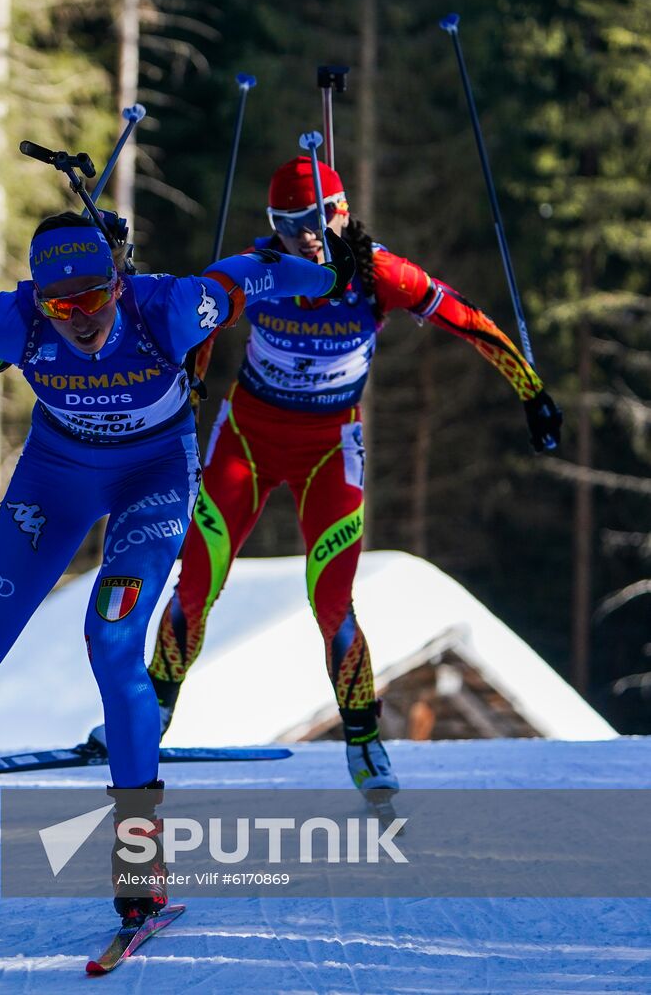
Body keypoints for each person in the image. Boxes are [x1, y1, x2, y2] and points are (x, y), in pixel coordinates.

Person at [0, 210, 354, 923]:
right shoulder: (12, 320)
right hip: (55, 478)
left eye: (93, 296)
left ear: (119, 280)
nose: (80, 318)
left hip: (153, 478)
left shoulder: (168, 310)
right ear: (37, 298)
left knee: (113, 642)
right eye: (61, 305)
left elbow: (254, 277)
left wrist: (329, 272)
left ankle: (141, 852)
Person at [123, 156, 562, 798]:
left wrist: (532, 391)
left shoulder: (379, 274)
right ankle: (151, 712)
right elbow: (199, 315)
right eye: (283, 221)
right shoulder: (263, 267)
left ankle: (363, 739)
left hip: (330, 448)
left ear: (341, 212)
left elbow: (464, 317)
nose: (299, 233)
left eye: (312, 218)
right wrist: (187, 382)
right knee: (196, 582)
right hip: (247, 440)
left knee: (331, 600)